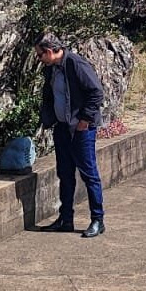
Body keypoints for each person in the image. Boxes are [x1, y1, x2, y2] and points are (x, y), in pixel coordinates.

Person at [35, 33, 106, 238]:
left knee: (89, 174)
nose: (39, 60)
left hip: (80, 128)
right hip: (62, 127)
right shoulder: (51, 70)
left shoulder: (75, 64)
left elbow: (96, 92)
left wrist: (85, 120)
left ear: (49, 51)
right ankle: (65, 219)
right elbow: (50, 96)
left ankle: (97, 219)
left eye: (40, 55)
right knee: (65, 174)